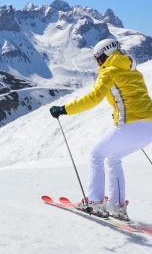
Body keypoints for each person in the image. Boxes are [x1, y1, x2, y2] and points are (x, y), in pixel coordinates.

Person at [49, 39, 152, 221]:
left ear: (104, 55)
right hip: (148, 128)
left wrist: (64, 109)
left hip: (130, 125)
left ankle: (95, 203)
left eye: (98, 59)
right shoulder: (133, 71)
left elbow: (93, 98)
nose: (98, 63)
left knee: (96, 154)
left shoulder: (109, 71)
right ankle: (117, 207)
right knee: (113, 158)